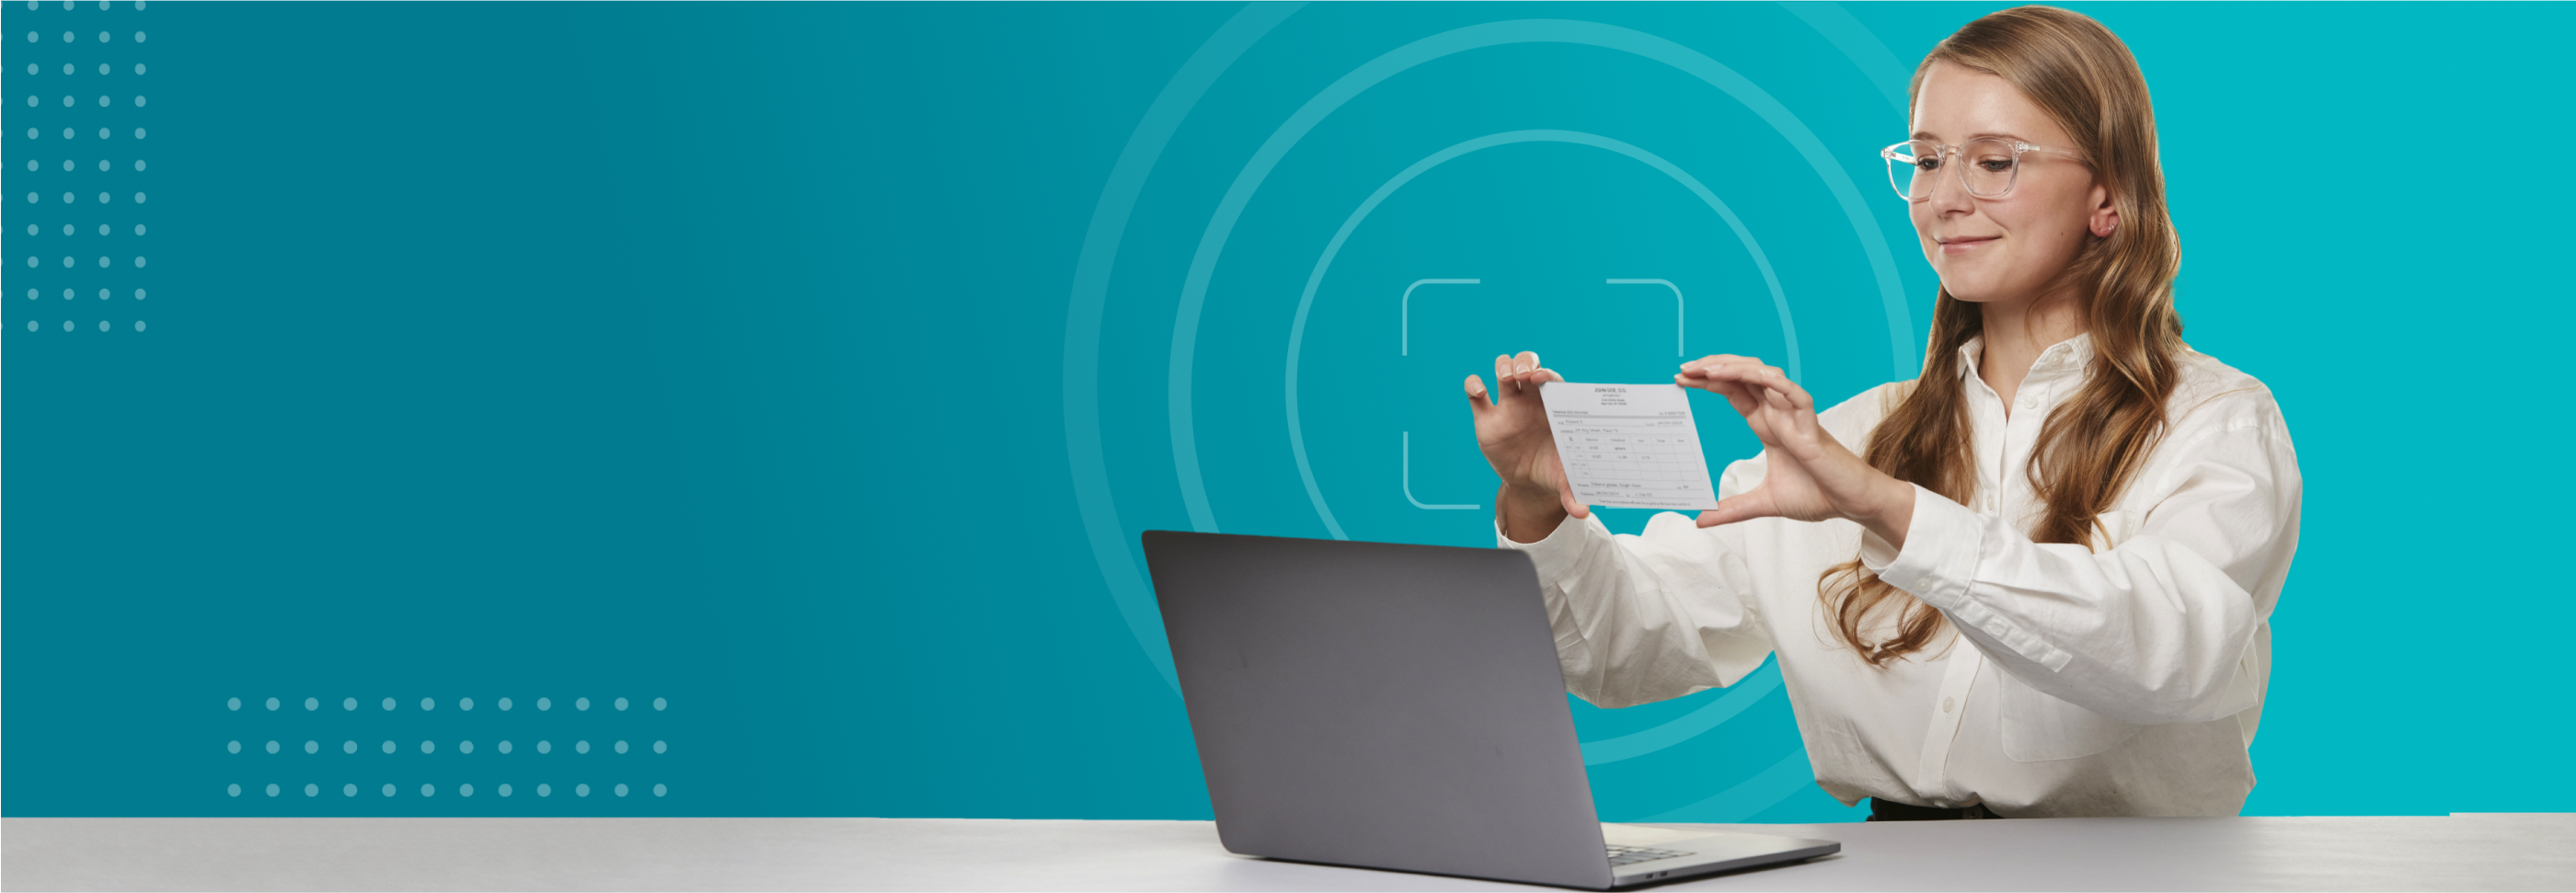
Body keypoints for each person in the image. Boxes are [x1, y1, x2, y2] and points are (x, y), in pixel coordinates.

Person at [1462, 6, 2298, 819]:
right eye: (1929, 159)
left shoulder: (2214, 421)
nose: (1943, 198)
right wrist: (1539, 507)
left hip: (2140, 879)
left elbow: (2171, 651)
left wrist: (1887, 509)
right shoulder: (1852, 439)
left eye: (1995, 162)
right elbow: (1628, 651)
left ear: (2107, 198)